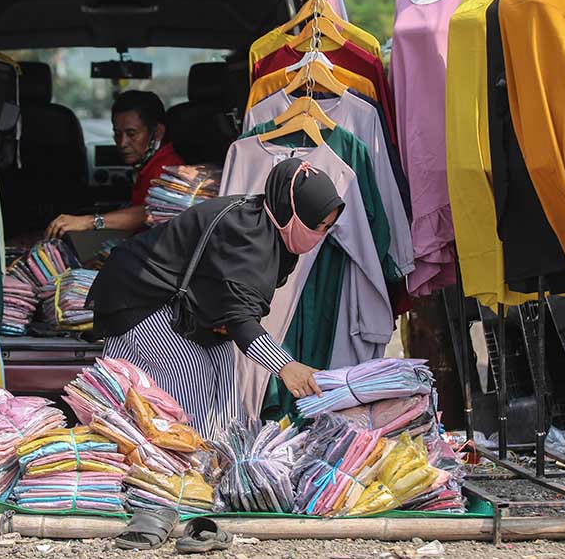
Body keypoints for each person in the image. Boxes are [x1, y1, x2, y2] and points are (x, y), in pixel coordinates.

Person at [86, 158, 344, 439]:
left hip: (180, 305)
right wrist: (285, 366)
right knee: (187, 378)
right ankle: (192, 465)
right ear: (291, 210)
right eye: (316, 225)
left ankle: (221, 457)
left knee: (224, 379)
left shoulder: (272, 232)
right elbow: (239, 316)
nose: (319, 235)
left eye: (326, 228)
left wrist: (230, 318)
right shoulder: (248, 235)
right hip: (138, 297)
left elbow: (234, 302)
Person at [45, 90, 183, 238]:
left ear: (157, 133)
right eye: (117, 134)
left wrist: (90, 221)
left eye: (132, 134)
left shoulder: (170, 169)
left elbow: (151, 211)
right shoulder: (151, 164)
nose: (122, 143)